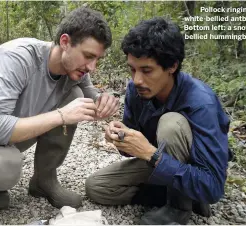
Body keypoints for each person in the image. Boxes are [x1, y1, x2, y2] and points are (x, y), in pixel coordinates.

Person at [0, 7, 119, 210]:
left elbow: (89, 92)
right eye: (88, 56)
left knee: (76, 95)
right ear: (65, 42)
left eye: (97, 59)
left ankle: (43, 181)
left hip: (14, 131)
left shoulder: (76, 67)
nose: (92, 67)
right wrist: (61, 115)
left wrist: (103, 101)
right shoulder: (17, 57)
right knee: (4, 167)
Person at [85, 17, 231, 225]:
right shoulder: (136, 91)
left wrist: (149, 154)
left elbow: (214, 187)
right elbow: (132, 149)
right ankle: (185, 195)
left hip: (188, 165)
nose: (136, 80)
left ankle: (178, 207)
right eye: (132, 69)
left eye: (146, 70)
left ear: (172, 66)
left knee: (171, 123)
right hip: (157, 160)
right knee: (97, 187)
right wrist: (121, 138)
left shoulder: (200, 102)